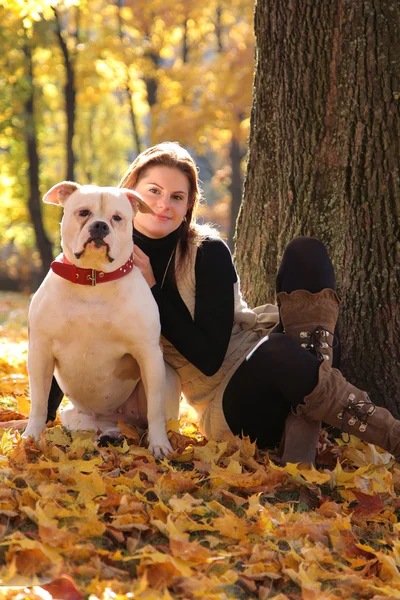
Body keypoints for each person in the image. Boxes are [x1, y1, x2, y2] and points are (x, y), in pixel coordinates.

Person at [47, 142, 400, 463]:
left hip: (269, 352)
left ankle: (303, 419)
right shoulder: (100, 259)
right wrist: (43, 419)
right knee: (280, 351)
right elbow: (62, 331)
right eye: (153, 191)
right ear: (130, 194)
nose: (162, 204)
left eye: (176, 197)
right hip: (228, 404)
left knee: (306, 252)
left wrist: (155, 287)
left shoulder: (207, 250)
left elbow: (214, 346)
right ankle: (388, 433)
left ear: (188, 206)